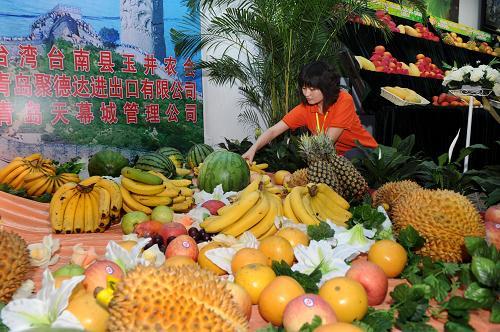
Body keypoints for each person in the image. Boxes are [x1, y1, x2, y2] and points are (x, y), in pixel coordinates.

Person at [242, 61, 377, 162]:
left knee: (346, 158)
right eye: (304, 88)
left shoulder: (343, 100)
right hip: (336, 158)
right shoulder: (306, 108)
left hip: (364, 153)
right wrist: (252, 149)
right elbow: (273, 131)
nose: (307, 94)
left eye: (312, 89)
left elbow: (327, 141)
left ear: (326, 87)